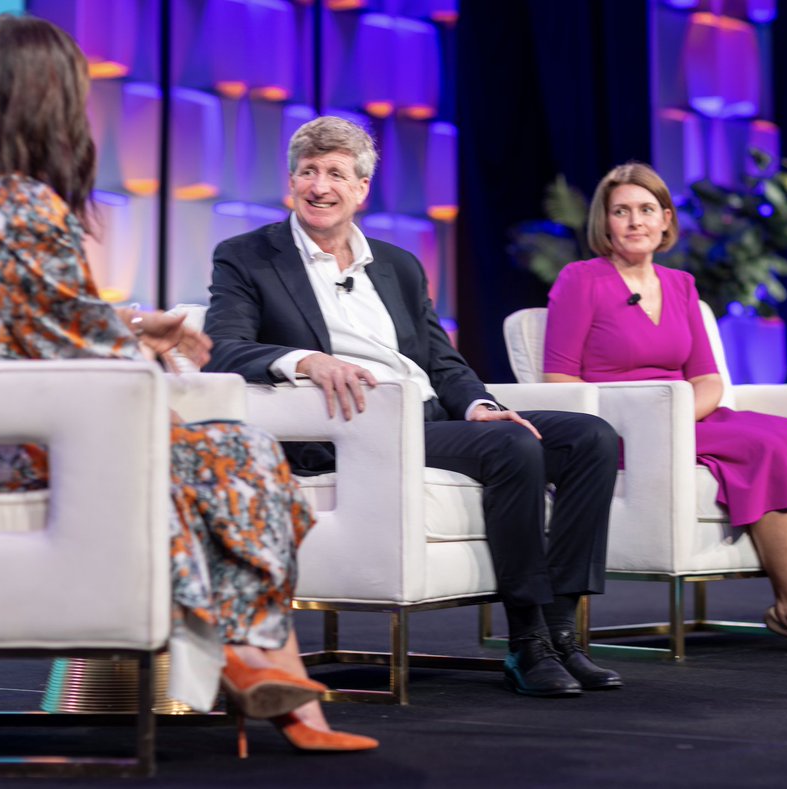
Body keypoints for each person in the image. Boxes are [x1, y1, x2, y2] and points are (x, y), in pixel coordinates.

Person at [0, 14, 376, 752]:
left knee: (219, 452)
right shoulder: (28, 204)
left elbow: (25, 319)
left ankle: (265, 671)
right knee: (242, 452)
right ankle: (259, 667)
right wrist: (141, 353)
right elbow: (73, 344)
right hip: (22, 445)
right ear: (50, 103)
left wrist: (133, 327)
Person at [203, 116, 622, 696]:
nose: (319, 186)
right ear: (291, 180)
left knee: (591, 439)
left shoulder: (398, 265)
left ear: (361, 189)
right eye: (308, 172)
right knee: (513, 446)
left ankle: (561, 633)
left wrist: (478, 405)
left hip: (432, 419)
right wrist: (305, 361)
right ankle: (527, 643)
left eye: (335, 174)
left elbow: (440, 360)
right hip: (358, 430)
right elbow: (223, 348)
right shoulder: (248, 256)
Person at [543, 162, 787, 656]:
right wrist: (648, 419)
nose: (634, 221)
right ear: (604, 222)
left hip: (690, 417)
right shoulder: (580, 280)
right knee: (766, 444)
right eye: (621, 211)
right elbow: (558, 379)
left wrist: (681, 414)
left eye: (646, 210)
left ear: (665, 221)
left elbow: (707, 378)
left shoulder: (680, 286)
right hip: (626, 427)